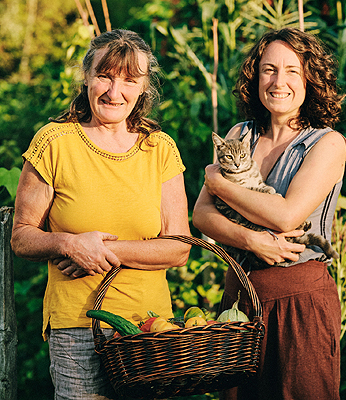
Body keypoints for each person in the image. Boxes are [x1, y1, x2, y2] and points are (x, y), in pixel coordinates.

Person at [11, 29, 191, 400]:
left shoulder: (159, 149)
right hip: (77, 327)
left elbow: (179, 247)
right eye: (105, 76)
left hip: (149, 330)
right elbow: (22, 236)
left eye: (129, 79)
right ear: (87, 78)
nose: (114, 91)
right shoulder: (54, 142)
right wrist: (67, 243)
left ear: (144, 88)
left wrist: (98, 251)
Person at [192, 27, 346, 400]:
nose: (279, 81)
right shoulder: (239, 134)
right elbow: (200, 214)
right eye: (268, 70)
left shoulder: (327, 143)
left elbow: (286, 216)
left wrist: (218, 183)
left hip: (299, 301)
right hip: (239, 298)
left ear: (310, 78)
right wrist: (249, 239)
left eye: (292, 70)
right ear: (255, 76)